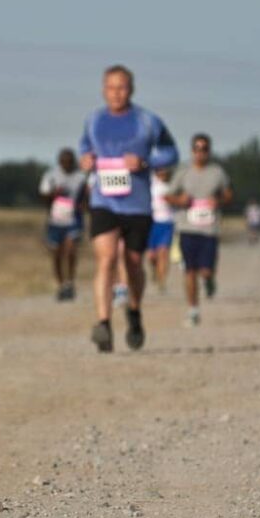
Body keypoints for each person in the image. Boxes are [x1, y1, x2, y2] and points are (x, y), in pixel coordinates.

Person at [79, 65, 178, 352]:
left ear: (131, 90)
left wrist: (146, 163)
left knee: (133, 264)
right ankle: (104, 324)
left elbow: (171, 152)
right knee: (106, 259)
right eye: (110, 87)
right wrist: (85, 159)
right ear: (102, 89)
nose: (116, 93)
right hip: (104, 202)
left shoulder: (148, 121)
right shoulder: (94, 120)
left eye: (121, 87)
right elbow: (85, 148)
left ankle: (134, 313)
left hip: (137, 205)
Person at [167, 134, 232, 326]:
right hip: (187, 227)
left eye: (204, 149)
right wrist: (180, 200)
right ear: (192, 150)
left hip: (209, 229)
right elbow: (168, 195)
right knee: (189, 271)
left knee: (205, 270)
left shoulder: (217, 172)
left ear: (209, 151)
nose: (200, 152)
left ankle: (209, 280)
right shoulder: (183, 171)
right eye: (197, 148)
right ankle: (193, 310)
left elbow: (229, 194)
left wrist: (218, 201)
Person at [38, 148, 87, 300]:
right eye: (64, 162)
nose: (67, 165)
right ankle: (61, 285)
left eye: (70, 162)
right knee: (57, 253)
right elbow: (43, 196)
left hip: (74, 220)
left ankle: (70, 282)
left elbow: (87, 196)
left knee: (71, 250)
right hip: (55, 220)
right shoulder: (51, 176)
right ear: (59, 162)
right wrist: (54, 194)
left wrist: (83, 205)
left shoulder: (81, 177)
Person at [147, 168, 176, 292]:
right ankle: (155, 270)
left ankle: (162, 281)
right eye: (161, 169)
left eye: (166, 170)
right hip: (151, 222)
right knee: (152, 256)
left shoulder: (173, 184)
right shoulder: (150, 181)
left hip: (167, 223)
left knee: (163, 253)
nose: (163, 172)